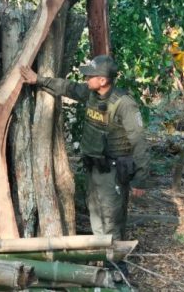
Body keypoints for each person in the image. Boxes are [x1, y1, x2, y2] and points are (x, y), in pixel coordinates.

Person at [20, 55, 149, 277]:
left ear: (102, 80)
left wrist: (140, 179)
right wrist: (38, 80)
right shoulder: (90, 93)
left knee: (111, 219)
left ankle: (117, 268)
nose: (85, 78)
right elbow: (67, 87)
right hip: (94, 168)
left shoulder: (124, 104)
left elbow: (140, 143)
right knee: (96, 215)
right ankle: (103, 259)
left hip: (114, 172)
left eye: (90, 75)